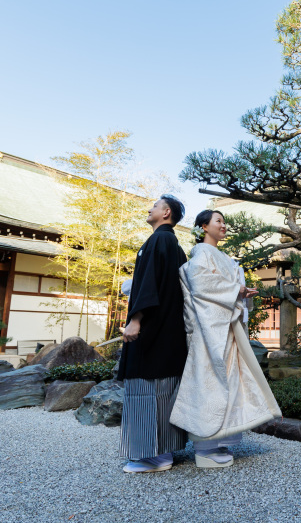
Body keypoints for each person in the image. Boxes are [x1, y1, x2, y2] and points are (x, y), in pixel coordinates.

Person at [170, 209, 282, 468]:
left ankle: (218, 441)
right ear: (203, 227)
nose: (224, 225)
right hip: (210, 329)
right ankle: (205, 446)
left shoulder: (219, 255)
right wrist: (237, 290)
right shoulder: (201, 253)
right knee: (210, 382)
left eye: (224, 221)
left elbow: (219, 287)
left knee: (229, 382)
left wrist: (241, 293)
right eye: (218, 221)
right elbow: (201, 286)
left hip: (224, 326)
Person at [116, 194, 188, 473]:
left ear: (166, 212)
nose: (150, 209)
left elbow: (148, 285)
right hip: (169, 330)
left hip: (153, 329)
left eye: (155, 206)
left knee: (147, 387)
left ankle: (152, 456)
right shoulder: (174, 245)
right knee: (165, 388)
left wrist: (135, 320)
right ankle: (165, 451)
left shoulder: (159, 240)